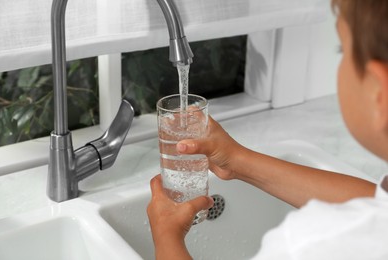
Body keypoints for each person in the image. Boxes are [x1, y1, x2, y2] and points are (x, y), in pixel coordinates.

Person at [147, 0, 388, 259]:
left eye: (341, 50)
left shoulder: (312, 243)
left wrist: (166, 236)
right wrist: (237, 160)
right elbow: (375, 205)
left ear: (379, 92)